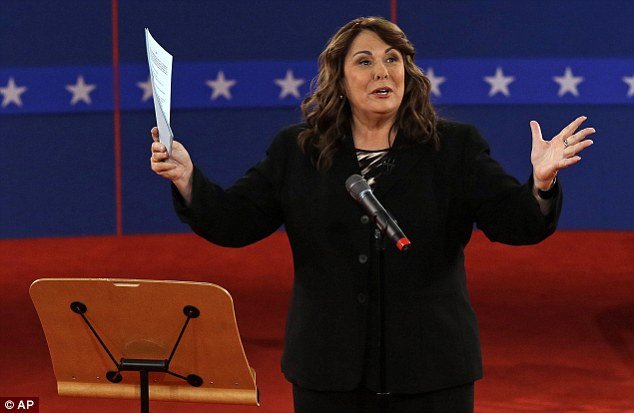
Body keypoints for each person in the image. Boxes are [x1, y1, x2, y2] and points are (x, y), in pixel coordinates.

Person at [150, 16, 594, 413]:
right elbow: (234, 222)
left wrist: (541, 183)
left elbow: (514, 222)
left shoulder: (454, 148)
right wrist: (188, 179)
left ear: (407, 74)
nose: (382, 71)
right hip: (329, 370)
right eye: (364, 61)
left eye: (392, 59)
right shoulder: (299, 151)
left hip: (432, 369)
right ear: (340, 80)